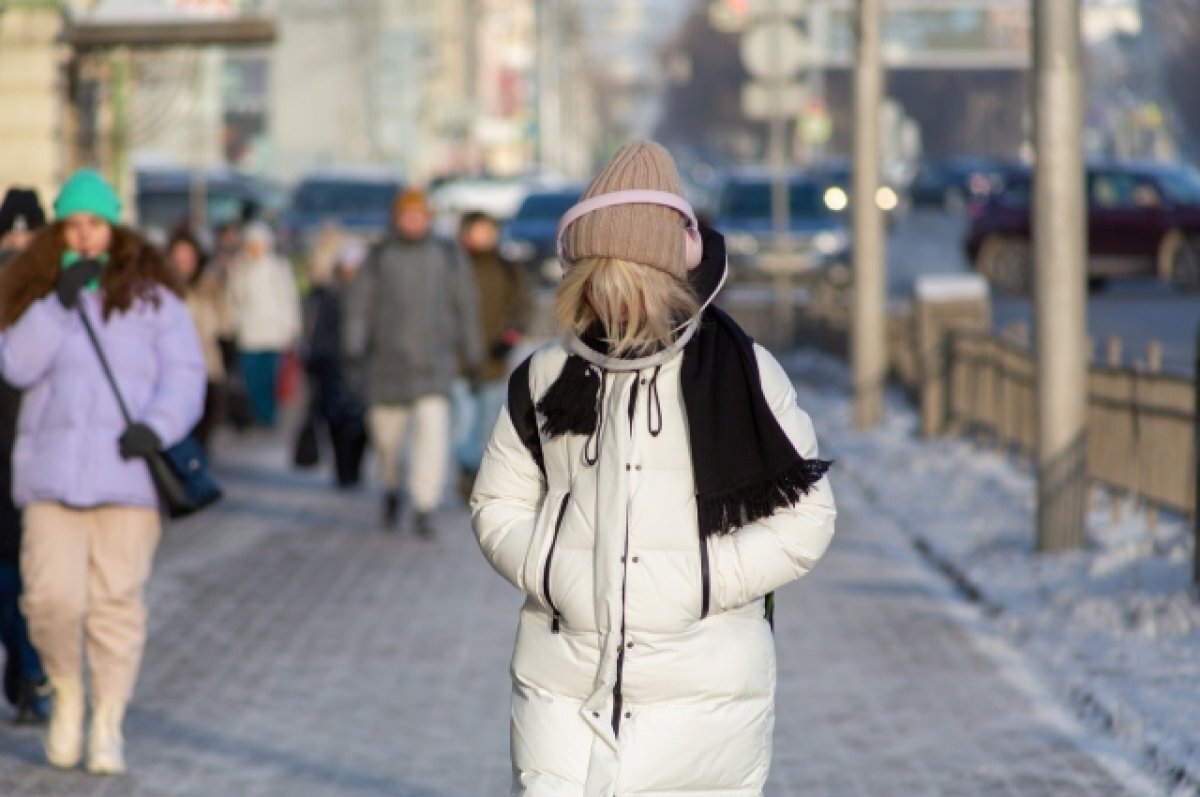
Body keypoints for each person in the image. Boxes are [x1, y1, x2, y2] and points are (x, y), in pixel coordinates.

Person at [469, 141, 837, 796]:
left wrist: (700, 580)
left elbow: (806, 518)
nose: (614, 298)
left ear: (668, 273)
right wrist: (557, 570)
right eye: (599, 275)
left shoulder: (741, 374)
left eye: (629, 275)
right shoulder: (547, 377)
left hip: (705, 698)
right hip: (563, 685)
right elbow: (496, 502)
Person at [0, 169, 205, 774]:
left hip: (128, 475)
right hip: (49, 477)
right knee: (49, 601)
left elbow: (185, 374)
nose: (86, 236)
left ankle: (108, 720)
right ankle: (66, 693)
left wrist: (160, 426)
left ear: (115, 228)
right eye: (74, 224)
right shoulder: (35, 292)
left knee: (117, 603)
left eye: (96, 223)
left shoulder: (154, 296)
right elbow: (14, 367)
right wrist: (58, 304)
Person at [343, 188, 483, 536]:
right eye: (407, 214)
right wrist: (352, 347)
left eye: (419, 214)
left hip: (434, 365)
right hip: (386, 366)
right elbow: (359, 306)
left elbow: (465, 306)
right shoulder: (379, 256)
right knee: (387, 442)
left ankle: (423, 505)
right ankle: (391, 488)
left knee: (432, 440)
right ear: (396, 218)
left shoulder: (447, 255)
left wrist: (473, 354)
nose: (414, 221)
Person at [0, 187, 51, 725]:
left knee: (32, 583)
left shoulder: (58, 297)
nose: (15, 246)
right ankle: (25, 670)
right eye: (7, 236)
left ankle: (31, 676)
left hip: (40, 457)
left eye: (25, 236)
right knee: (7, 584)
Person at [454, 212, 532, 499]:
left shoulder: (507, 268)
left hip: (495, 360)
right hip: (457, 361)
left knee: (487, 423)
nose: (484, 236)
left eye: (489, 230)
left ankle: (475, 473)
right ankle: (466, 467)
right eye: (478, 230)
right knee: (461, 424)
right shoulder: (455, 265)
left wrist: (510, 335)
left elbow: (523, 305)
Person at [299, 225, 367, 487]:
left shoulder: (372, 300)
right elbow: (316, 330)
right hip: (332, 367)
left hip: (363, 369)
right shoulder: (328, 296)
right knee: (335, 421)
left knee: (361, 424)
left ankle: (354, 468)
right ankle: (342, 470)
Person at [226, 221, 300, 428]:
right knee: (252, 379)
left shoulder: (277, 267)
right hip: (250, 334)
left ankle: (268, 416)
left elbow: (288, 298)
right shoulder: (240, 268)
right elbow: (236, 298)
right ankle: (256, 414)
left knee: (270, 379)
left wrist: (291, 328)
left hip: (273, 333)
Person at [167, 229, 231, 451]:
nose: (183, 265)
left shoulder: (209, 286)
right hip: (171, 369)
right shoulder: (162, 290)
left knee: (203, 432)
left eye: (188, 259)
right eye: (178, 259)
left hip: (207, 368)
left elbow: (225, 325)